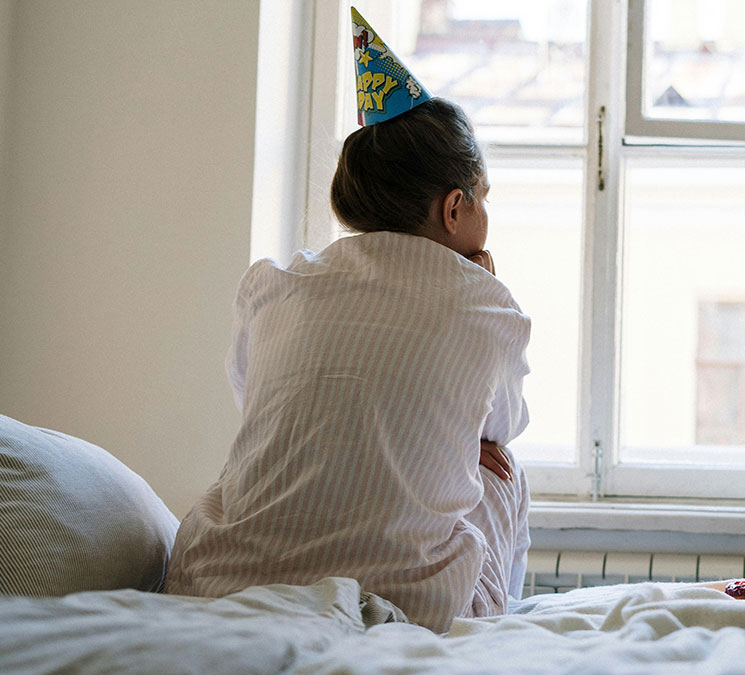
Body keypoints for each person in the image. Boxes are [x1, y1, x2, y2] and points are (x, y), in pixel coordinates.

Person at [165, 10, 531, 634]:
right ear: (453, 207)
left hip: (220, 584)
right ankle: (497, 635)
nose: (485, 212)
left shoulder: (274, 284)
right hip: (407, 605)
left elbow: (255, 401)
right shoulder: (484, 302)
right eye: (483, 198)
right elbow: (503, 424)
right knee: (501, 469)